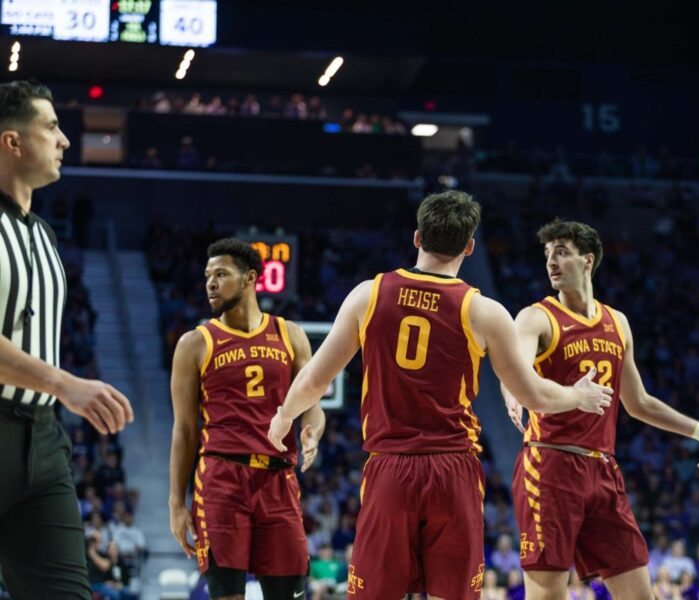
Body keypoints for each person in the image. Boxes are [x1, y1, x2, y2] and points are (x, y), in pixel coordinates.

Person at [267, 190, 613, 599]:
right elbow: (535, 396)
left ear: (417, 237)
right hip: (453, 472)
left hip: (390, 468)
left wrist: (285, 417)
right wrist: (577, 396)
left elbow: (314, 380)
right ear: (469, 246)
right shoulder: (483, 311)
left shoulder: (369, 294)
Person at [502, 219, 699, 600]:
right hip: (551, 465)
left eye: (562, 252)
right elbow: (515, 374)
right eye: (547, 254)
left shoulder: (617, 322)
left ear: (587, 261)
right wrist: (519, 393)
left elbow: (639, 403)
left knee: (640, 595)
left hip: (603, 468)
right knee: (547, 595)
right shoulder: (536, 317)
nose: (551, 261)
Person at [0, 79, 134, 599]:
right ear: (12, 142)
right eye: (51, 127)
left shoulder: (44, 234)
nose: (64, 141)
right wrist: (64, 383)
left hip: (42, 440)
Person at [169, 238, 324, 600]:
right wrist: (176, 503)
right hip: (222, 479)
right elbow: (185, 429)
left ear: (250, 278)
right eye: (208, 275)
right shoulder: (195, 343)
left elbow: (312, 401)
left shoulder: (291, 334)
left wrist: (312, 431)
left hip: (278, 480)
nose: (210, 283)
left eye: (221, 274)